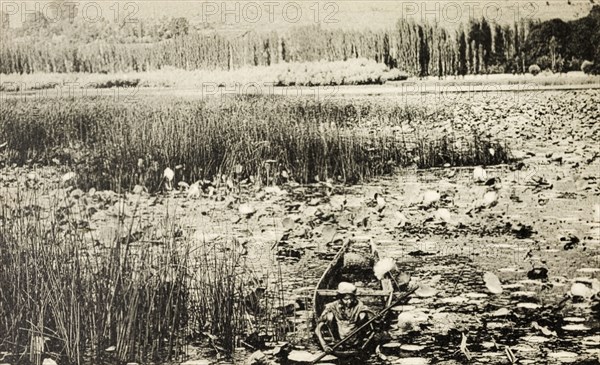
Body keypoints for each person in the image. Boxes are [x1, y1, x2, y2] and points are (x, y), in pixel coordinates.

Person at [315, 282, 375, 353]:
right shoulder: (332, 306)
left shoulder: (360, 306)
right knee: (329, 316)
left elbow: (375, 323)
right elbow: (318, 329)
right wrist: (324, 345)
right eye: (346, 299)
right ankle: (337, 341)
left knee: (363, 315)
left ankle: (359, 344)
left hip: (355, 339)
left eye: (351, 299)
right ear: (340, 297)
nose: (349, 302)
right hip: (339, 340)